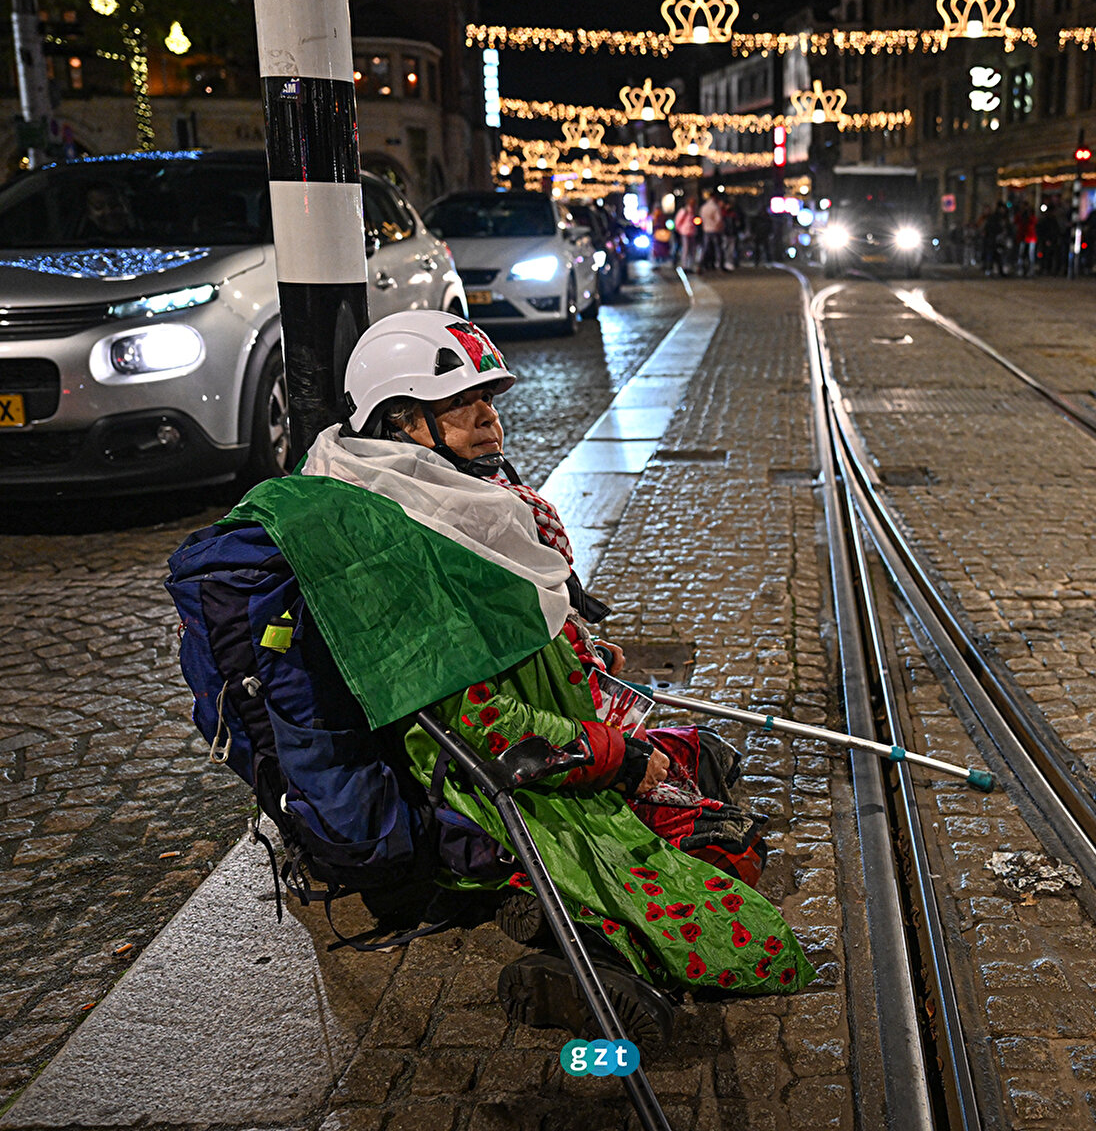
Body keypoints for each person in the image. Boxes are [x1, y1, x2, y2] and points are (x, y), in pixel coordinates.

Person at [224, 311, 816, 1038]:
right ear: (401, 421)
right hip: (483, 779)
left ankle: (556, 910)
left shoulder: (446, 501)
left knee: (702, 768)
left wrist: (578, 653)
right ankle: (582, 949)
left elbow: (513, 635)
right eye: (460, 404)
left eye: (488, 399)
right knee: (723, 874)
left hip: (544, 734)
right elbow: (472, 723)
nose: (489, 418)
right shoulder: (395, 541)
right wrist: (617, 757)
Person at [699, 191, 725, 271]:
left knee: (706, 248)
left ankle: (702, 264)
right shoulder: (715, 207)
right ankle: (720, 264)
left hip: (706, 229)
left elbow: (701, 218)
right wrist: (719, 227)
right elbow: (719, 219)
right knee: (718, 248)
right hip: (715, 229)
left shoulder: (704, 207)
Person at [676, 196, 699, 270]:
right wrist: (679, 229)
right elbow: (678, 221)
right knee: (686, 248)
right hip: (685, 231)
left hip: (692, 232)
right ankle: (684, 265)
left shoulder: (694, 211)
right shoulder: (684, 210)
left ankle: (691, 265)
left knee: (692, 249)